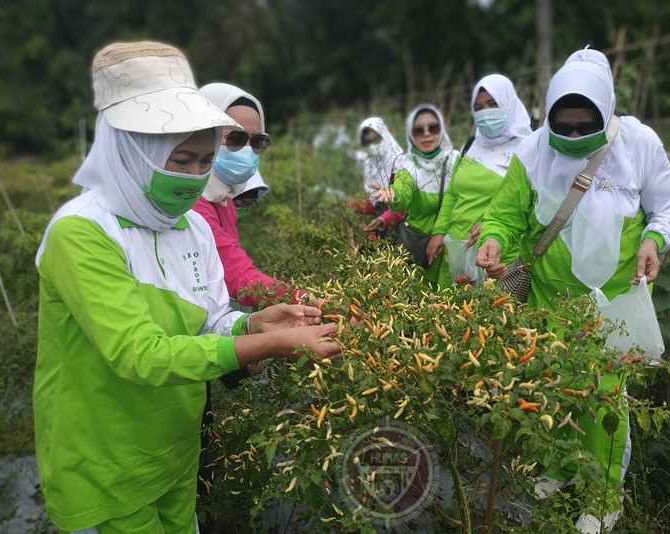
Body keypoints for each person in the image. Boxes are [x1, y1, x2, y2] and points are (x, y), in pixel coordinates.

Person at [33, 41, 340, 534]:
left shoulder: (191, 228)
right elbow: (140, 354)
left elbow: (211, 317)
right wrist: (270, 342)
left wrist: (251, 321)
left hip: (174, 451)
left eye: (204, 161)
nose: (196, 178)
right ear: (132, 150)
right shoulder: (82, 233)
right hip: (105, 464)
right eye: (180, 160)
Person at [476, 47, 670, 532]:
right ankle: (560, 466)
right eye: (562, 126)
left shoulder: (638, 143)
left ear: (607, 113)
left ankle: (602, 494)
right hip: (553, 297)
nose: (571, 136)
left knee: (604, 398)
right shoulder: (532, 151)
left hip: (615, 301)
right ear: (547, 116)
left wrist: (654, 239)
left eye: (582, 126)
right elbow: (507, 214)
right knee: (551, 385)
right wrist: (493, 238)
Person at [194, 82, 306, 308]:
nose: (247, 149)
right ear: (203, 134)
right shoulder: (191, 205)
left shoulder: (222, 199)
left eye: (257, 141)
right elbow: (239, 277)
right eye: (235, 138)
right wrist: (304, 299)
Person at [429, 73, 533, 288]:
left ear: (509, 104)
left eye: (493, 104)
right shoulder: (471, 145)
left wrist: (490, 225)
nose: (486, 113)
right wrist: (439, 232)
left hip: (496, 259)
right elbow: (453, 194)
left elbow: (527, 207)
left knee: (486, 315)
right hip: (456, 254)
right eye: (479, 107)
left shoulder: (528, 151)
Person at [370, 103, 458, 286]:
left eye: (433, 128)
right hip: (420, 248)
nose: (426, 133)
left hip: (454, 248)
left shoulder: (457, 161)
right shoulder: (408, 165)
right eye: (418, 130)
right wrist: (394, 194)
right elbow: (403, 189)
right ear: (411, 135)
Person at [350, 117, 405, 239]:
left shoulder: (399, 162)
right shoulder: (371, 164)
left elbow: (403, 207)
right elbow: (374, 203)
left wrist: (381, 220)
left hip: (400, 227)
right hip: (382, 224)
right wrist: (350, 205)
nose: (372, 146)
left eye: (375, 140)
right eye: (368, 143)